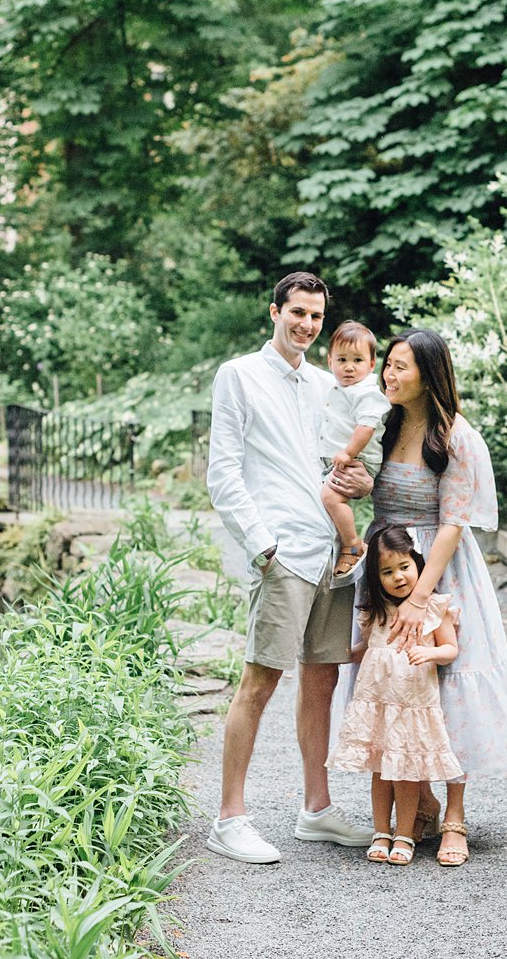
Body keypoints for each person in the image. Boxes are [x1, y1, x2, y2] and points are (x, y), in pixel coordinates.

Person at [204, 271, 376, 864]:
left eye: (315, 317)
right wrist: (261, 545)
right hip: (283, 554)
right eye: (297, 312)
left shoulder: (331, 385)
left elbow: (345, 464)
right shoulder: (240, 376)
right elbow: (223, 472)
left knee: (322, 680)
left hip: (331, 552)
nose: (306, 324)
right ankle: (229, 819)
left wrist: (362, 481)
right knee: (260, 681)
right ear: (273, 312)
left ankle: (316, 810)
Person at [369, 327, 507, 866]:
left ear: (429, 374)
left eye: (401, 367)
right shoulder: (384, 425)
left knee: (448, 687)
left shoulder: (455, 435)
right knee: (396, 685)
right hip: (387, 565)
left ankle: (456, 818)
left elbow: (453, 523)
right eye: (387, 365)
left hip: (440, 571)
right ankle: (420, 803)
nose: (389, 375)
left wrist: (421, 597)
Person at [327, 526, 462, 865]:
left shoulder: (433, 609)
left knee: (405, 772)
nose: (398, 577)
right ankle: (380, 831)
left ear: (418, 563)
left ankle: (404, 834)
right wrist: (345, 652)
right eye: (387, 572)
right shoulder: (376, 610)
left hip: (412, 706)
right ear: (376, 577)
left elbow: (450, 649)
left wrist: (430, 654)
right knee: (379, 771)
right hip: (378, 706)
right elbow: (370, 646)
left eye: (404, 567)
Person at [318, 321, 390, 577]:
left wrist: (348, 453)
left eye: (357, 360)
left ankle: (353, 545)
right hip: (344, 458)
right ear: (330, 362)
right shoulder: (337, 387)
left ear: (371, 365)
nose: (349, 367)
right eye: (342, 359)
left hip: (359, 458)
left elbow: (366, 426)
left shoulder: (366, 392)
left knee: (330, 497)